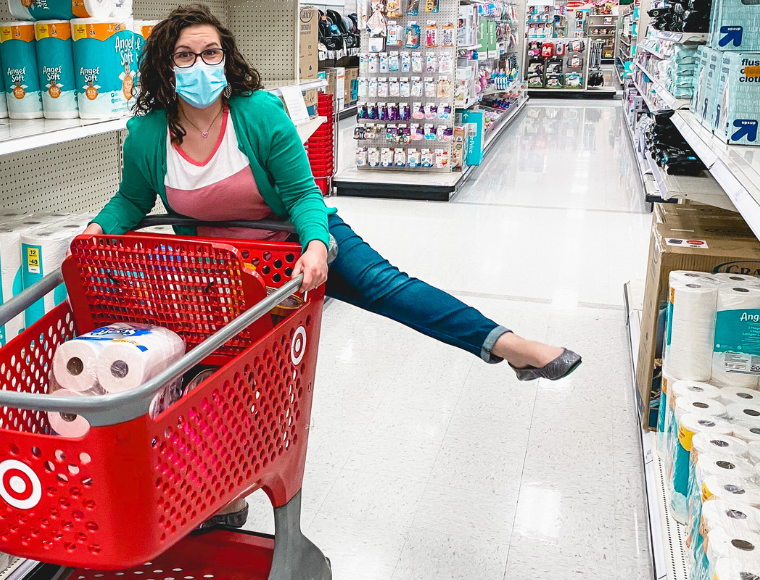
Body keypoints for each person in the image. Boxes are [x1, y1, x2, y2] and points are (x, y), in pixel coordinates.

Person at [81, 3, 581, 525]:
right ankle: (226, 490)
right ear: (164, 65)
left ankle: (509, 345)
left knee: (386, 287)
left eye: (210, 52)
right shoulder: (147, 135)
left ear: (226, 59)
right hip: (227, 269)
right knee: (223, 373)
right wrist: (96, 230)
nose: (200, 65)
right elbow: (130, 201)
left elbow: (302, 195)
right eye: (185, 55)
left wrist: (317, 246)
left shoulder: (257, 114)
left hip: (298, 243)